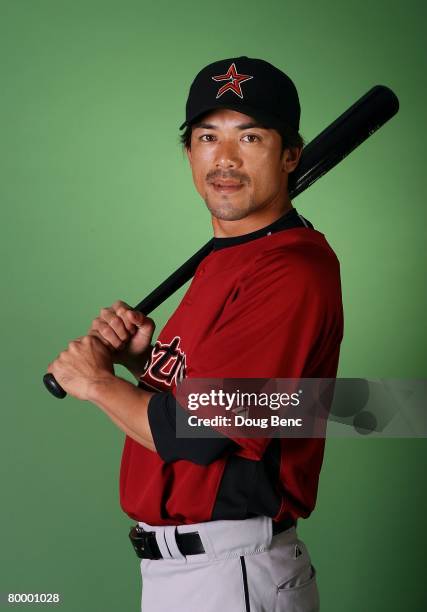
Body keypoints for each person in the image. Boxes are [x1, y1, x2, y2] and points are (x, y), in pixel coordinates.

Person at [48, 56, 344, 611]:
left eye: (250, 136)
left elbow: (202, 431)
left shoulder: (290, 269)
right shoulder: (230, 258)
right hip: (195, 571)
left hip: (232, 571)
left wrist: (94, 383)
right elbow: (222, 404)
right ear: (189, 152)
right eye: (207, 136)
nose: (224, 158)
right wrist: (146, 366)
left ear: (290, 156)